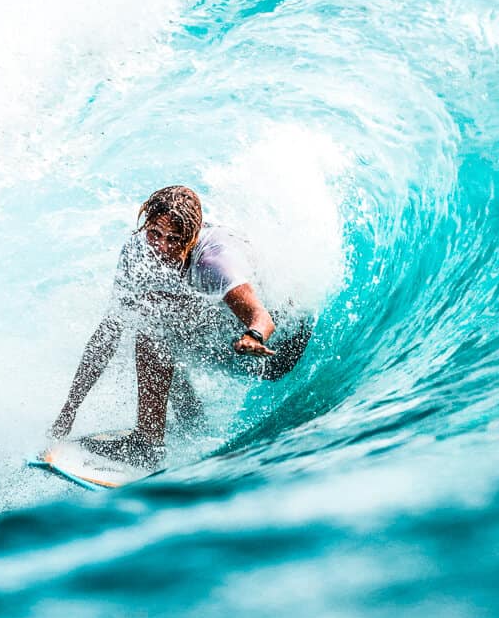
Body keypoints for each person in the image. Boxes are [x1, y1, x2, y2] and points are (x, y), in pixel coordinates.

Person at [50, 186, 312, 468]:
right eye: (155, 234)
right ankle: (192, 422)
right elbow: (107, 335)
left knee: (153, 321)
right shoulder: (137, 251)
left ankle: (147, 444)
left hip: (274, 353)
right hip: (224, 340)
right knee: (144, 312)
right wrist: (70, 409)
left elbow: (262, 316)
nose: (162, 247)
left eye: (174, 239)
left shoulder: (214, 261)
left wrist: (253, 336)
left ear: (192, 236)